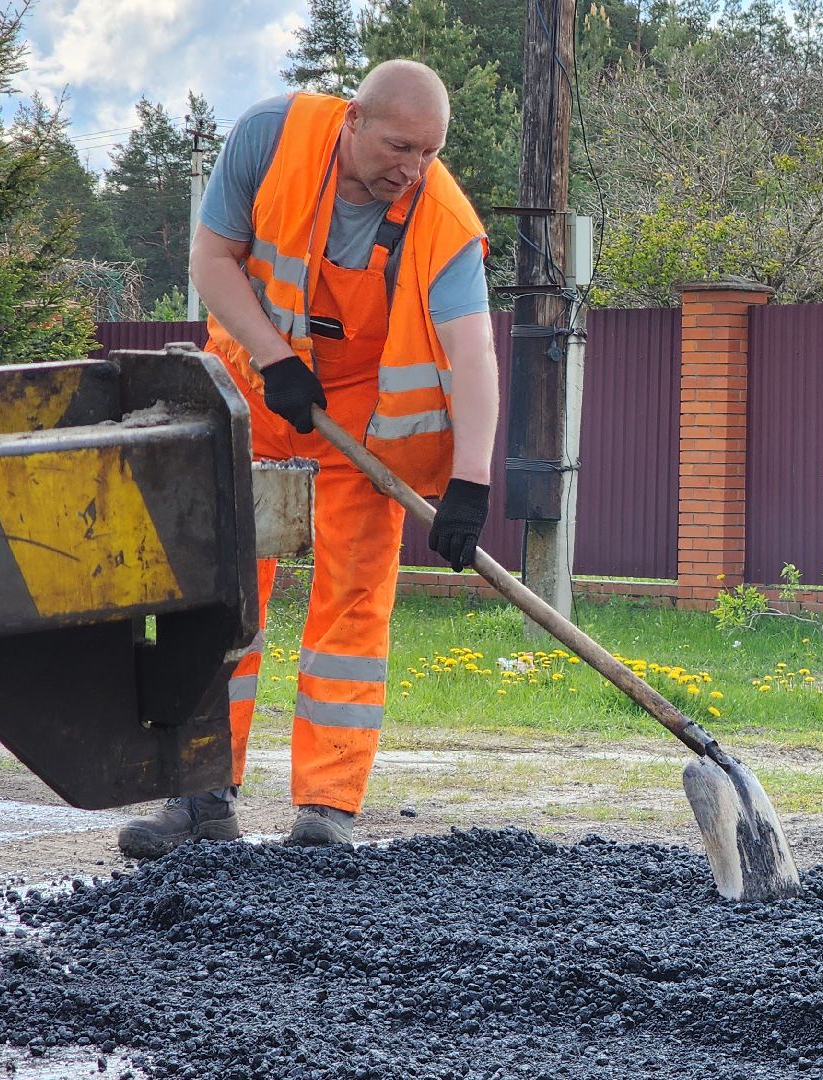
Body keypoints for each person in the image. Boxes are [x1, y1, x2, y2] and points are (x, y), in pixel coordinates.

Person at [118, 60, 498, 857]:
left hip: (361, 417)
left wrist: (470, 482)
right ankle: (200, 793)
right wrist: (276, 359)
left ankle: (327, 809)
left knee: (353, 601)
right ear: (353, 119)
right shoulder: (270, 137)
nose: (413, 170)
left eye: (429, 153)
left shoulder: (445, 220)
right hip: (251, 393)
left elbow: (473, 354)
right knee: (220, 592)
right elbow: (211, 261)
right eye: (400, 147)